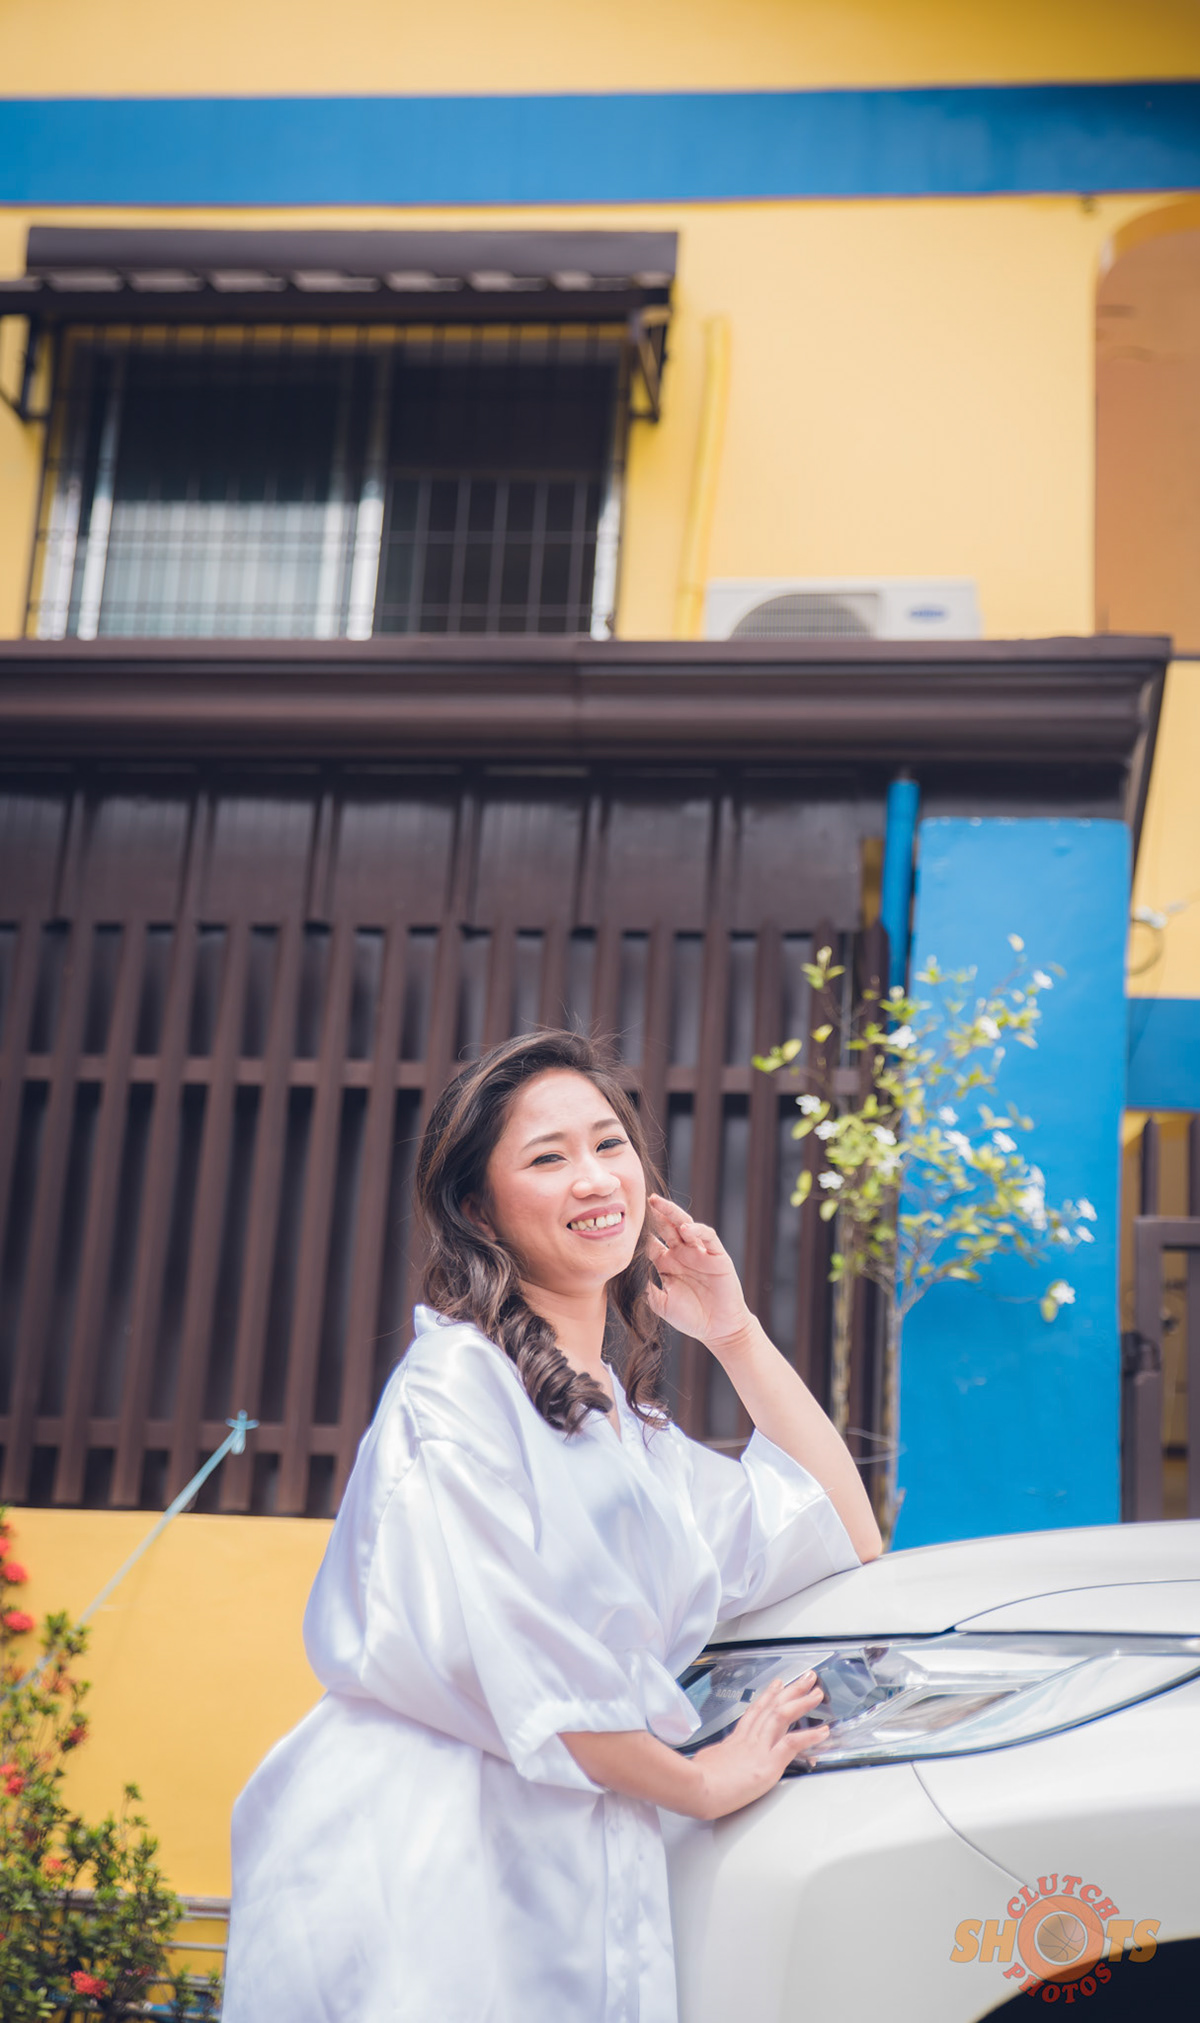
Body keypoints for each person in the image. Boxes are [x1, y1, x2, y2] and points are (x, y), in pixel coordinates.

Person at [222, 1028, 881, 2023]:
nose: (595, 1177)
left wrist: (735, 1331)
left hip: (580, 1867)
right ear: (478, 1209)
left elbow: (842, 1529)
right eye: (547, 1156)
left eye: (610, 1143)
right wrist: (701, 1781)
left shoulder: (632, 1438)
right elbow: (529, 1662)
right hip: (429, 1851)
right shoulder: (456, 1384)